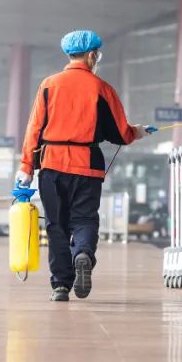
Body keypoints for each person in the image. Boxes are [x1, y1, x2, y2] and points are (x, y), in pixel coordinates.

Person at [16, 29, 154, 302]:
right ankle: (83, 254)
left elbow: (34, 128)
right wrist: (137, 132)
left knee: (56, 224)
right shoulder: (102, 89)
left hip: (51, 165)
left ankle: (60, 286)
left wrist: (26, 166)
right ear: (92, 56)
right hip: (87, 166)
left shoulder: (48, 85)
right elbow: (119, 133)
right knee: (84, 219)